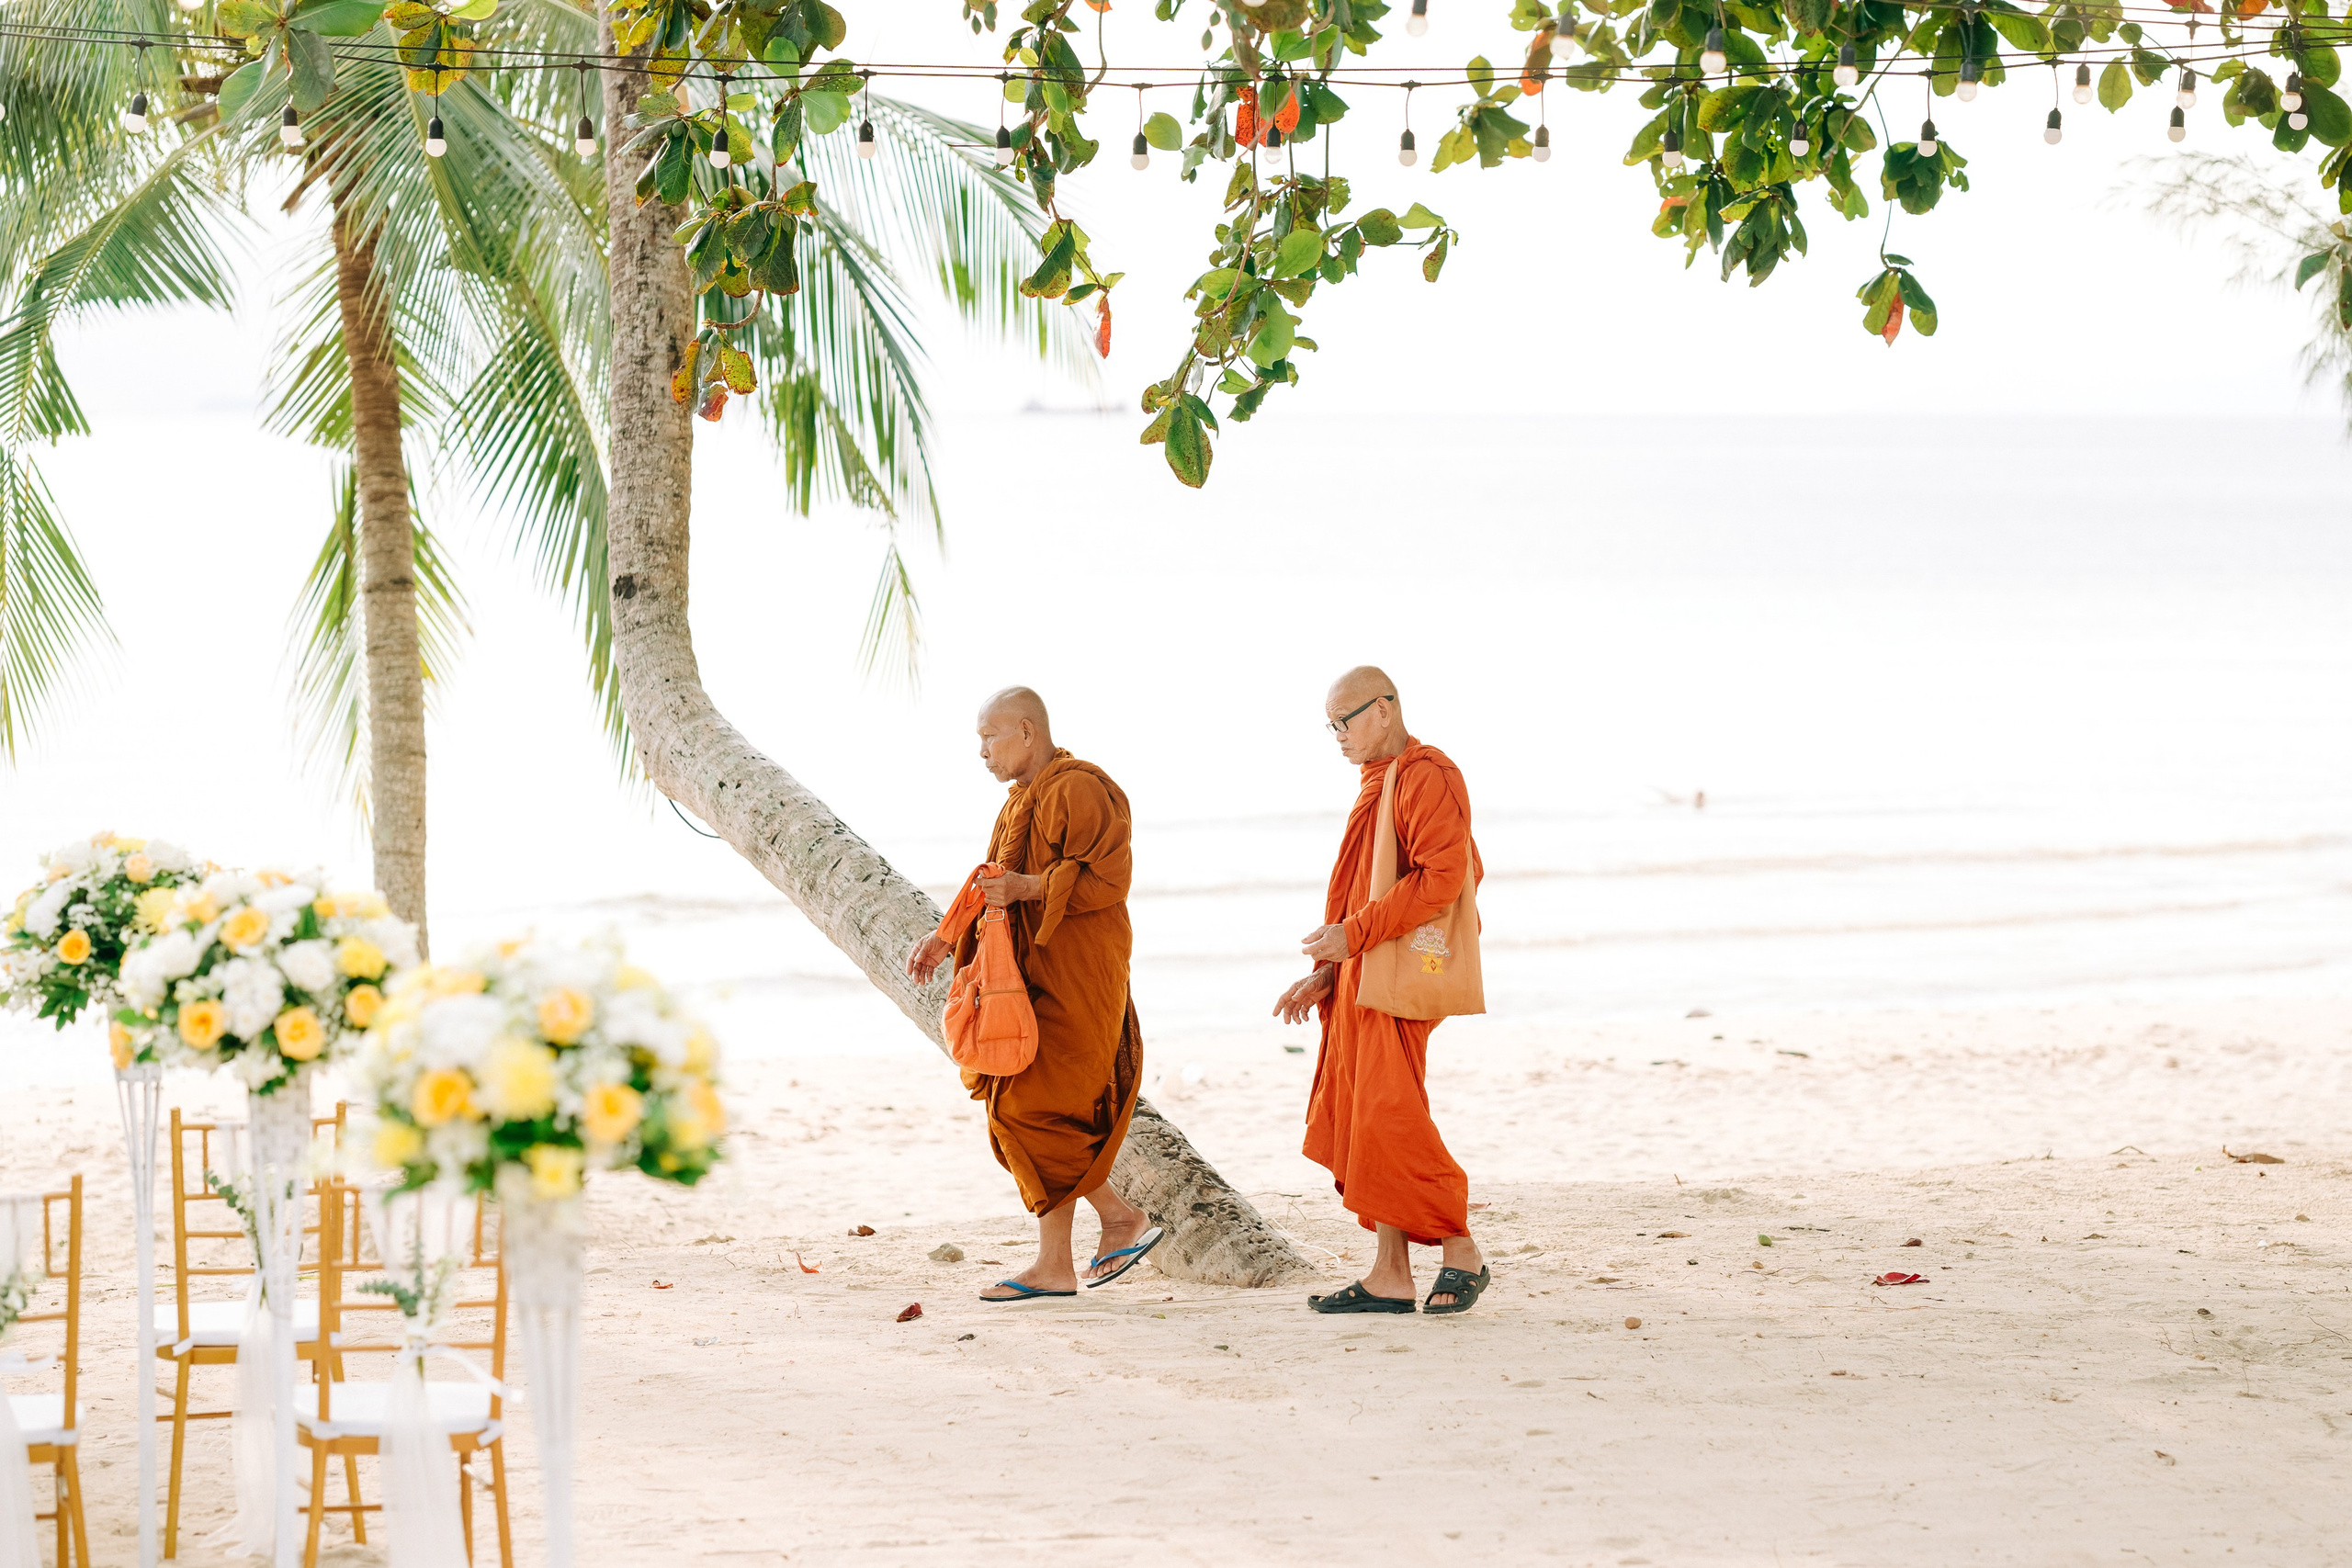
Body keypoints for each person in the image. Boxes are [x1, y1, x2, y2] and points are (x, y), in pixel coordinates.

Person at [907, 686, 1162, 1299]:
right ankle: (1058, 1262)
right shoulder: (1022, 800)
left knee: (1030, 1110)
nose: (982, 752)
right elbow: (994, 879)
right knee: (1024, 1105)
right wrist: (948, 936)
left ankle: (1116, 1221)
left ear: (1026, 731)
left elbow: (1107, 876)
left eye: (989, 737)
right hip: (1032, 979)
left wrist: (1026, 890)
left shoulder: (1076, 786)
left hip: (1078, 978)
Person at [1273, 667, 1490, 1314]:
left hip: (1396, 977)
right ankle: (1390, 1272)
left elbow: (1443, 877)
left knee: (1390, 1114)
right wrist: (1327, 972)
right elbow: (1361, 893)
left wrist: (1355, 935)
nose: (1337, 734)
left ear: (1387, 707)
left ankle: (1461, 1249)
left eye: (1347, 719)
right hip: (1362, 974)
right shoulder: (1379, 781)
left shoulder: (1427, 773)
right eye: (1331, 724)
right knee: (1367, 1117)